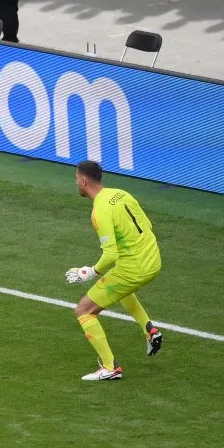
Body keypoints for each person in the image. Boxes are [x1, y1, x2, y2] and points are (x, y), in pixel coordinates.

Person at [67, 160, 163, 380]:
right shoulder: (122, 194)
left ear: (83, 180)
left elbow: (110, 255)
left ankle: (110, 368)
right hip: (153, 260)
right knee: (120, 286)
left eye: (76, 179)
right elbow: (147, 225)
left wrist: (88, 272)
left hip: (133, 268)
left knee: (84, 311)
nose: (76, 183)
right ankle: (150, 331)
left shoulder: (100, 210)